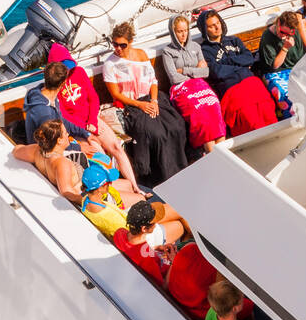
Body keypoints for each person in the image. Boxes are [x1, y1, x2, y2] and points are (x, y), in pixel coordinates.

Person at [45, 43, 142, 194]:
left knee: (116, 147)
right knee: (100, 155)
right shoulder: (56, 84)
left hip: (92, 120)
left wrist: (91, 121)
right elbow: (63, 114)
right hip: (78, 129)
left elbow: (93, 97)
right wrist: (85, 131)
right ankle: (119, 193)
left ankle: (135, 187)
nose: (68, 70)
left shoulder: (79, 72)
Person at [102, 22, 190, 185]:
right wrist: (140, 105)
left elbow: (153, 81)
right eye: (115, 44)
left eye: (122, 45)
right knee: (155, 134)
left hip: (151, 99)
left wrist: (154, 100)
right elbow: (115, 94)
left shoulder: (141, 55)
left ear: (130, 42)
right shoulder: (110, 64)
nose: (118, 48)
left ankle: (181, 169)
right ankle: (163, 176)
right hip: (131, 105)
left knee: (176, 126)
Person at [197, 10, 278, 137]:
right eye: (212, 26)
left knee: (266, 105)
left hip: (250, 81)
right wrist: (240, 65)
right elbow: (217, 72)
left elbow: (249, 58)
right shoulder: (204, 50)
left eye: (218, 23)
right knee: (247, 114)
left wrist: (227, 62)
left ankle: (275, 134)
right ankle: (255, 139)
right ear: (205, 29)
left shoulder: (234, 40)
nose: (217, 27)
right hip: (231, 88)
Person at [161, 15, 227, 153]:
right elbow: (173, 77)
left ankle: (223, 151)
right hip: (181, 89)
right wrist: (196, 70)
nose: (184, 34)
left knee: (213, 106)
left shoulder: (195, 46)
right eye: (179, 31)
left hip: (199, 85)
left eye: (185, 30)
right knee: (200, 112)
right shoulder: (167, 52)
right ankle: (211, 152)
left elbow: (206, 72)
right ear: (173, 32)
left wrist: (185, 70)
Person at [113, 199, 188, 284]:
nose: (156, 224)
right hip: (169, 272)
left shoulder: (120, 233)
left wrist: (157, 248)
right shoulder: (147, 259)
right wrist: (173, 262)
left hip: (157, 257)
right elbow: (163, 286)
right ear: (144, 228)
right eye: (154, 222)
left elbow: (134, 250)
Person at [256, 11, 304, 120]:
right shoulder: (267, 36)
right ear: (278, 23)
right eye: (282, 32)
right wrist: (285, 48)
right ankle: (294, 122)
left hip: (294, 69)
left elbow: (300, 57)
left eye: (289, 34)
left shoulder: (294, 33)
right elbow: (275, 65)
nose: (284, 36)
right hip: (274, 73)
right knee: (286, 97)